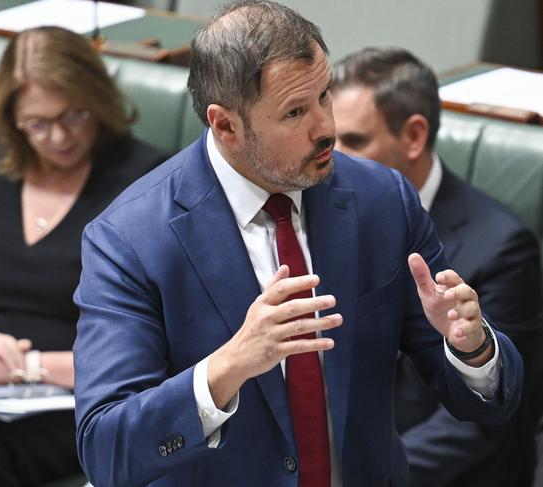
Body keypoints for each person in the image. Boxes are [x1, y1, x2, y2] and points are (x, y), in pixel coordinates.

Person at [73, 2, 523, 486]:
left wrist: (474, 350)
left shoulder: (382, 201)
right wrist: (229, 366)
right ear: (225, 125)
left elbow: (487, 402)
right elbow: (107, 448)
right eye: (295, 112)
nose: (326, 127)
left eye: (324, 95)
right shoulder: (129, 239)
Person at [0, 26, 164, 487]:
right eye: (37, 123)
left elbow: (152, 350)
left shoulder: (147, 181)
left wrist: (27, 368)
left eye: (75, 115)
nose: (59, 136)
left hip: (75, 398)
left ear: (99, 100)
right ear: (13, 118)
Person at [331, 47, 542, 487]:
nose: (333, 158)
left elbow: (480, 422)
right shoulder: (326, 215)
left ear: (413, 136)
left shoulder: (501, 249)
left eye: (352, 141)